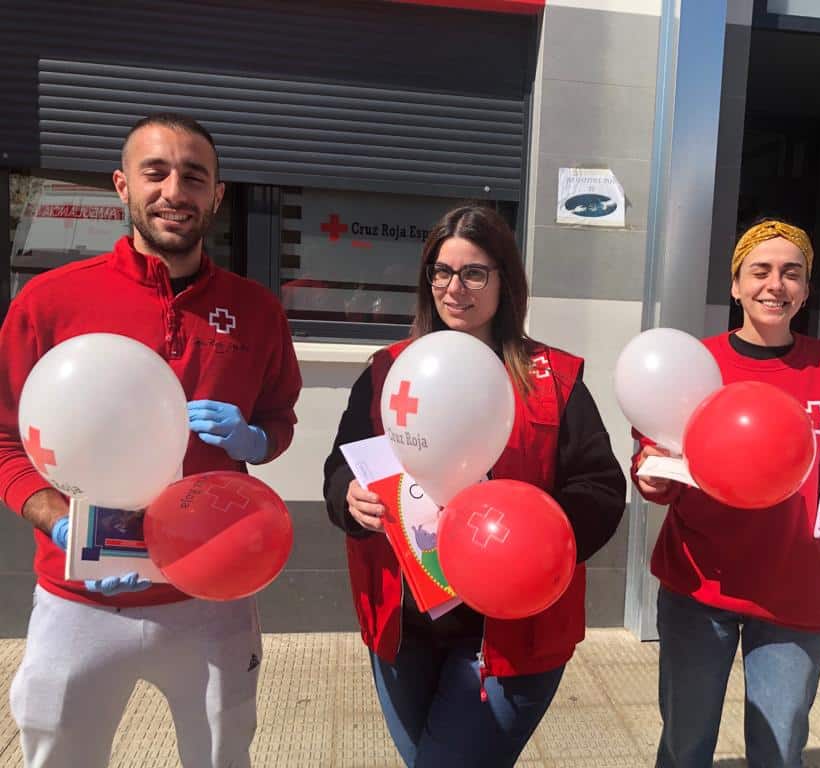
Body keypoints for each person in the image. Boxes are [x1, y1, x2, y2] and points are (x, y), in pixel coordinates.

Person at [0, 113, 302, 768]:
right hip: (82, 597)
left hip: (213, 591)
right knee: (59, 757)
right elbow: (4, 440)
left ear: (217, 197)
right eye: (155, 172)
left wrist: (255, 439)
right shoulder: (51, 303)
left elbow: (280, 417)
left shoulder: (257, 311)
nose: (175, 191)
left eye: (194, 177)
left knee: (222, 756)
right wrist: (56, 520)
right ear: (121, 186)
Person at [323, 204, 626, 768]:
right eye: (441, 271)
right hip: (404, 629)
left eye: (474, 272)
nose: (454, 287)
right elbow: (341, 465)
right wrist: (348, 497)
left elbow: (602, 489)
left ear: (504, 281)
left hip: (511, 636)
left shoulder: (554, 379)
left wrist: (535, 541)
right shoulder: (388, 371)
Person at [633, 219, 820, 768]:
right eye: (761, 271)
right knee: (684, 742)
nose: (776, 284)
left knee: (778, 750)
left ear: (806, 290)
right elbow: (657, 452)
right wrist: (649, 476)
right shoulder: (700, 364)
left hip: (796, 592)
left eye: (791, 273)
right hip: (700, 588)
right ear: (735, 285)